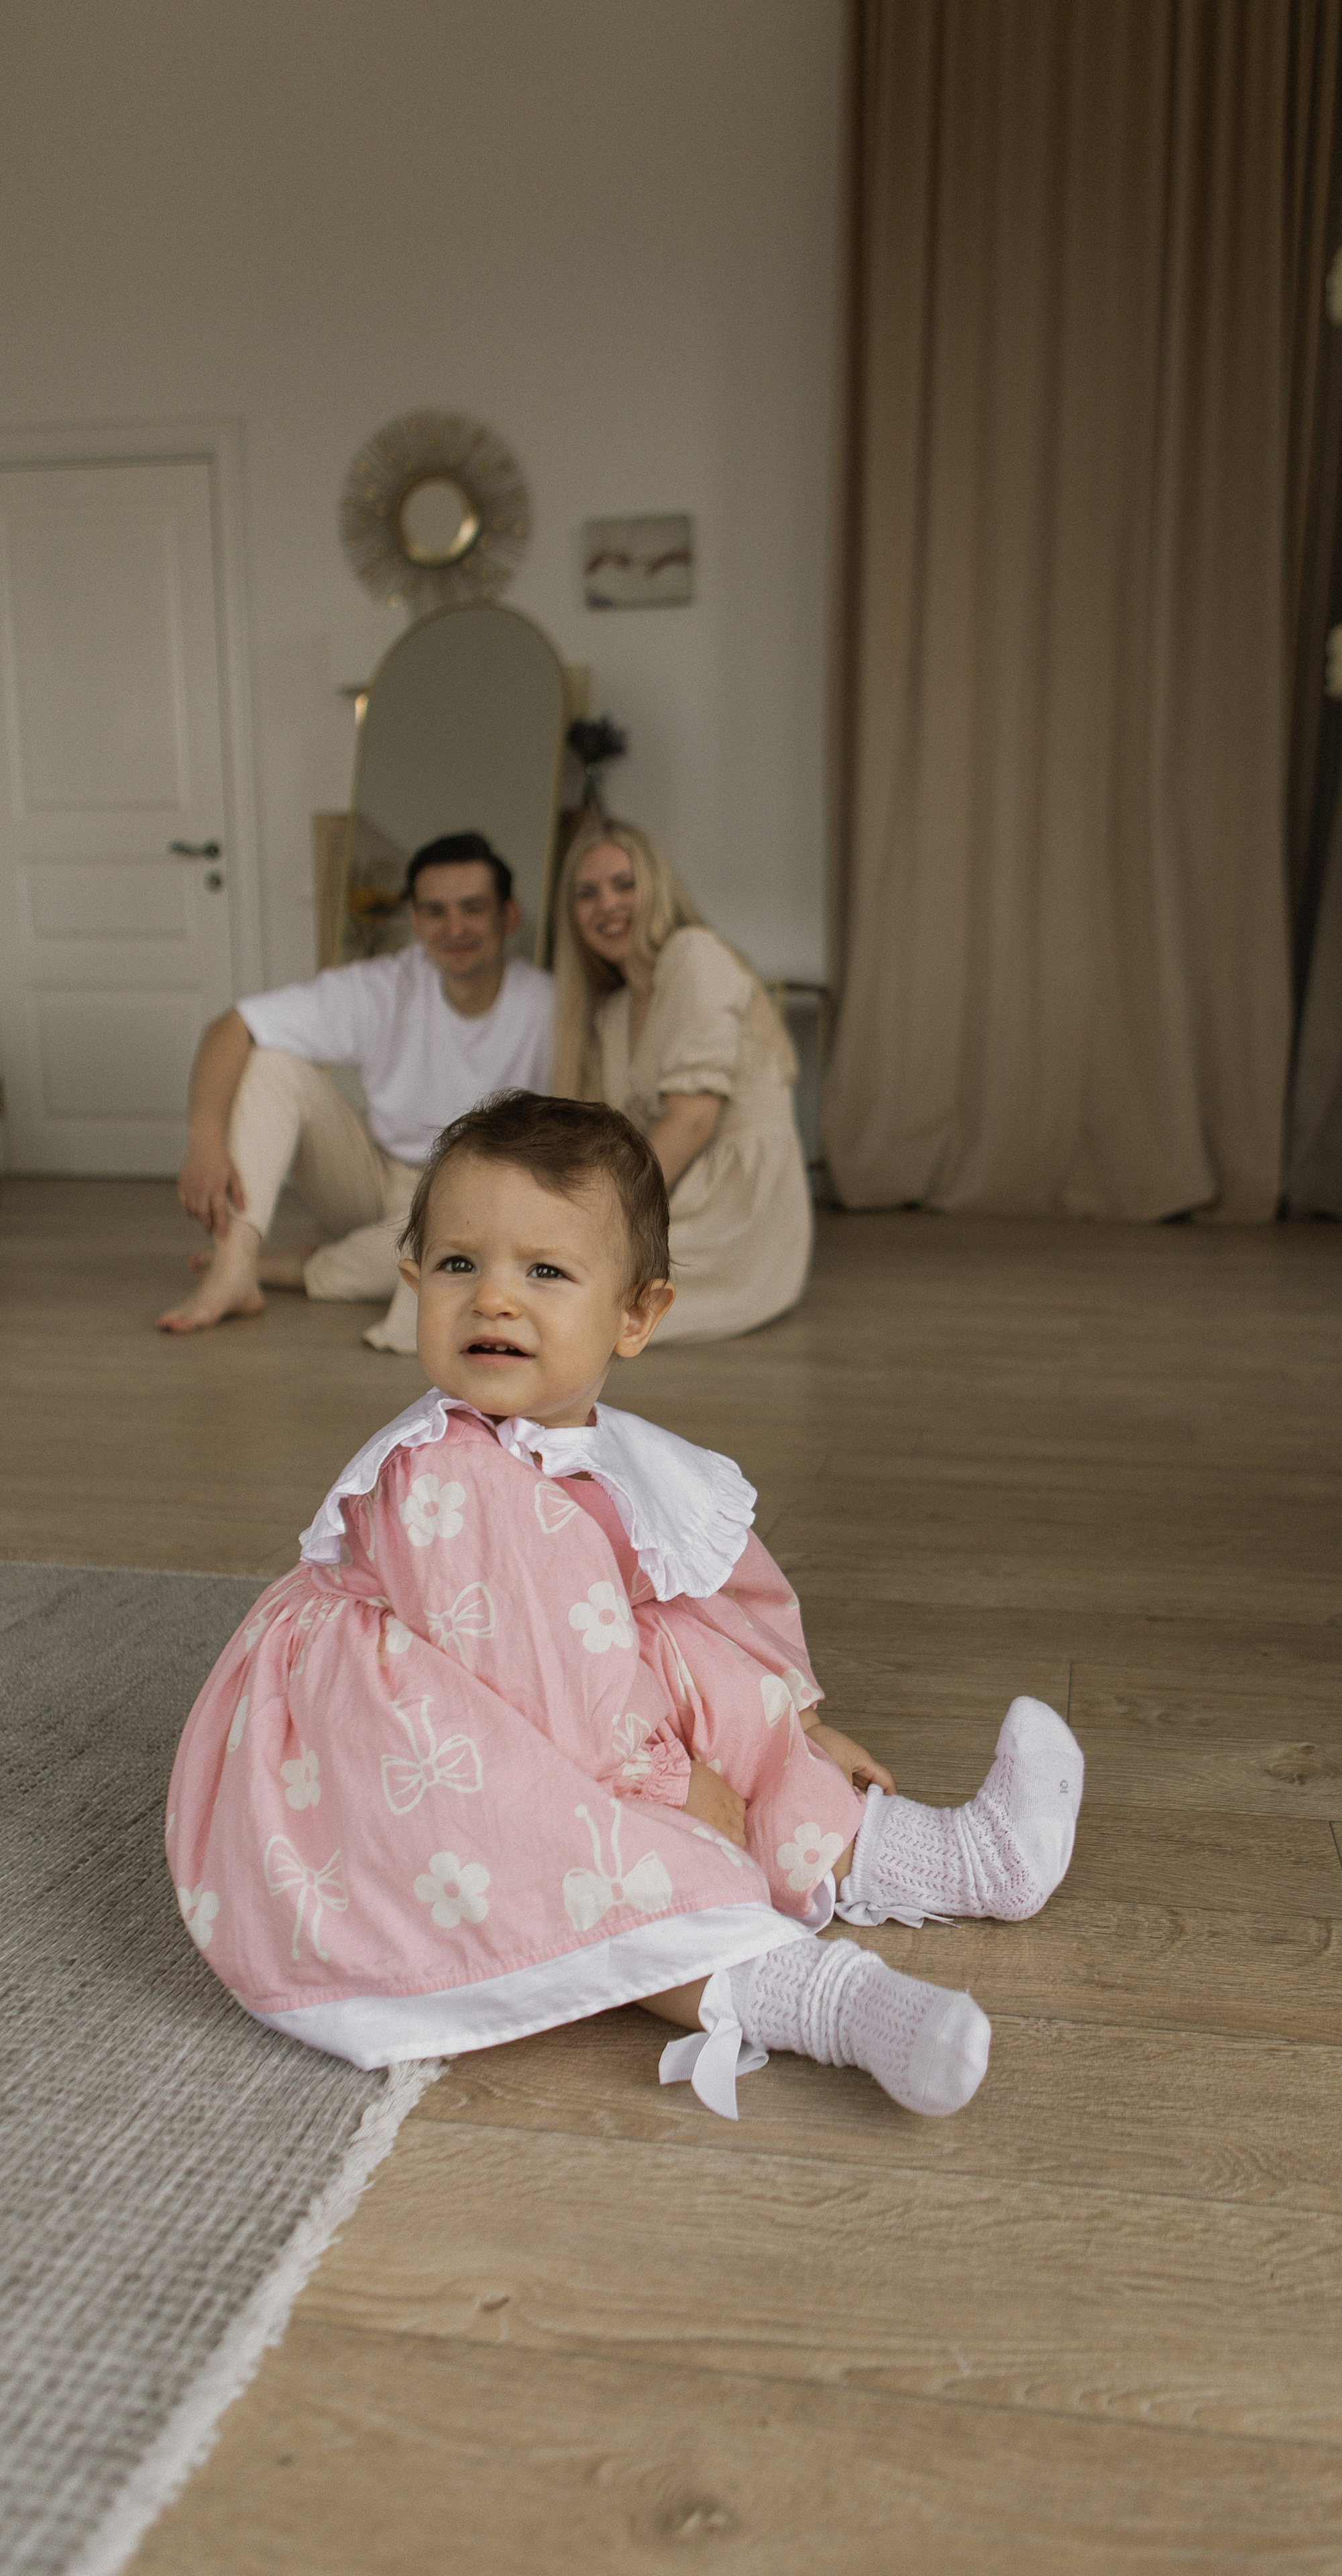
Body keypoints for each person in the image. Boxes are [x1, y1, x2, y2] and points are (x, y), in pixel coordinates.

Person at [166, 1091, 1084, 2117]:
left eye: (545, 1272)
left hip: (578, 1697)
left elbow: (726, 1595)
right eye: (460, 1266)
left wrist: (795, 1723)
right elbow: (539, 1676)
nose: (495, 1301)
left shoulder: (612, 1455)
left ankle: (945, 1857)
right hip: (413, 1744)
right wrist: (669, 1781)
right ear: (415, 1284)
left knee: (692, 1653)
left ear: (634, 1315)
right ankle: (829, 2003)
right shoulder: (443, 1477)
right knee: (580, 1854)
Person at [156, 833, 553, 1346]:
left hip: (480, 1197)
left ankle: (304, 1269)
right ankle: (233, 1271)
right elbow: (231, 1026)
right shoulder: (383, 987)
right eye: (435, 912)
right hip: (376, 1178)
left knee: (455, 1265)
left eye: (472, 909)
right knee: (271, 1063)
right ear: (415, 922)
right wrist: (203, 1143)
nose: (454, 928)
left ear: (508, 915)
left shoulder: (549, 1006)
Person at [555, 818, 812, 1343]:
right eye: (587, 894)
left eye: (623, 884)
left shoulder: (694, 955)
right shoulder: (612, 1009)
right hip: (674, 1187)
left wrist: (598, 1219)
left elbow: (693, 1122)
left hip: (734, 1204)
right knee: (543, 1268)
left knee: (571, 1291)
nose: (606, 905)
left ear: (655, 888)